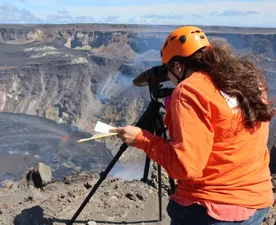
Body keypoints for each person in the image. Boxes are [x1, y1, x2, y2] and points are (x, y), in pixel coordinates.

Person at [109, 25, 276, 225]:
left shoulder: (190, 91)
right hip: (258, 201)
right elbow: (223, 122)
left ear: (178, 67)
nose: (170, 79)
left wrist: (142, 139)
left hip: (215, 209)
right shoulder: (245, 80)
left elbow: (184, 168)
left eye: (169, 70)